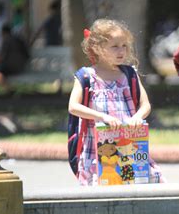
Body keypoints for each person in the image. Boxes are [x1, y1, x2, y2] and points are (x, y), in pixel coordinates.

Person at [68, 19, 164, 186]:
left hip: (128, 145)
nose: (121, 51)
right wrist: (102, 117)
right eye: (115, 46)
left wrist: (137, 117)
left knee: (134, 183)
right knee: (106, 183)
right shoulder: (87, 77)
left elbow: (145, 104)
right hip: (99, 149)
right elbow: (73, 107)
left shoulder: (129, 74)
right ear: (97, 48)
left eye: (124, 46)